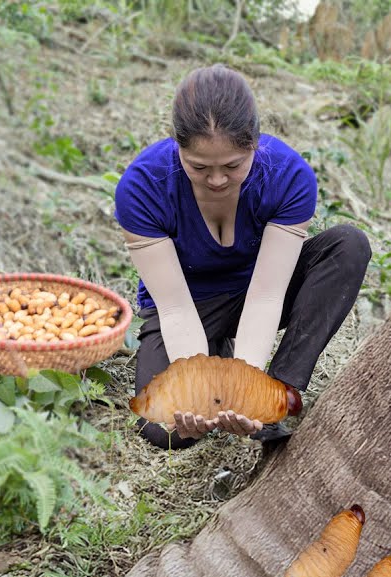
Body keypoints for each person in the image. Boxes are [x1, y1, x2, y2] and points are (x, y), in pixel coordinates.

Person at [114, 64, 371, 450]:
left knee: (348, 245)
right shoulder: (142, 187)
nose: (217, 180)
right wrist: (199, 392)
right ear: (177, 147)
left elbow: (267, 295)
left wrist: (247, 389)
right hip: (191, 304)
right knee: (164, 430)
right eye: (198, 167)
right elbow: (175, 309)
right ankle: (215, 356)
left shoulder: (287, 177)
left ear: (254, 143)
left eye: (233, 166)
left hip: (258, 290)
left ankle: (277, 394)